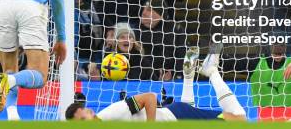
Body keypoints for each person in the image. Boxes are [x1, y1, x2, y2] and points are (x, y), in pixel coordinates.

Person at [66, 48, 247, 121]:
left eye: (84, 118)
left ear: (91, 112)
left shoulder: (111, 114)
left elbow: (150, 98)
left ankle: (212, 72)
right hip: (176, 114)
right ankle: (188, 76)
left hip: (177, 116)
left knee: (240, 120)